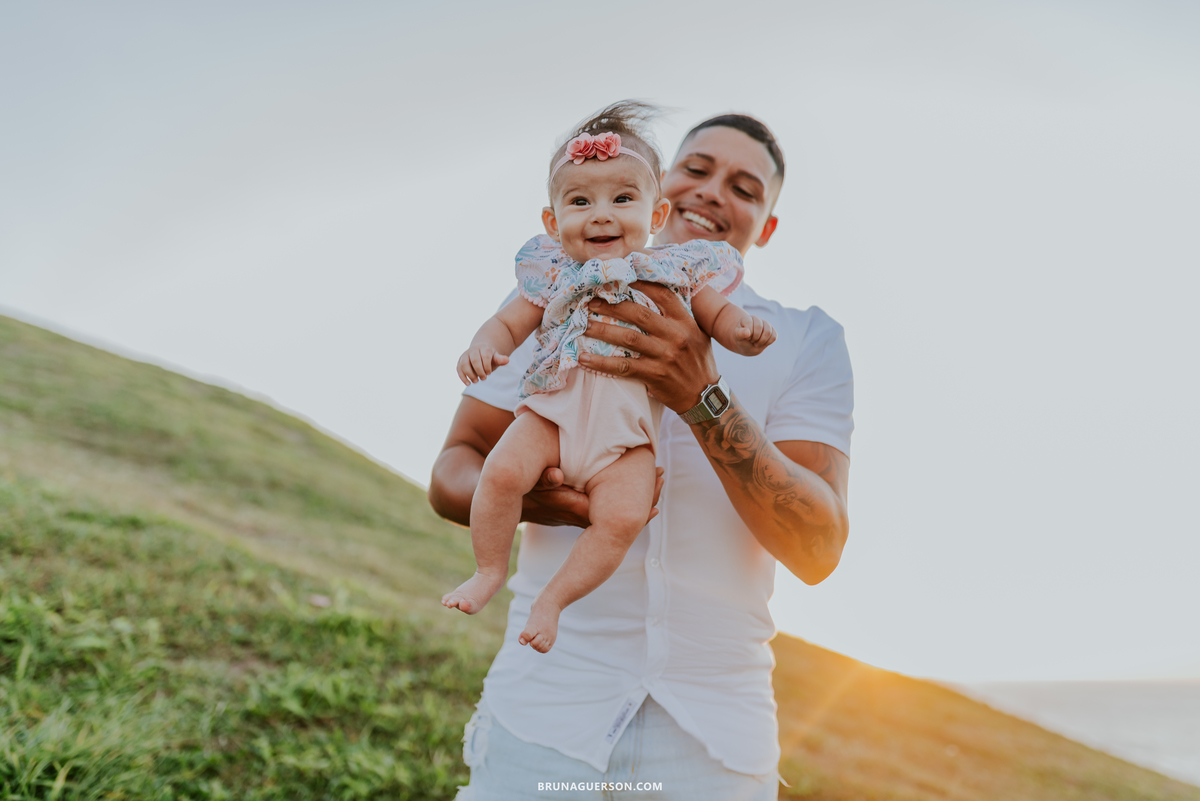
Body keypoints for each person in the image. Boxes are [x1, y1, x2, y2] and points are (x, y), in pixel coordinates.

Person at [429, 111, 854, 801]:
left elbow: (818, 543)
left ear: (766, 226)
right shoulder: (559, 288)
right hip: (545, 709)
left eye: (745, 187)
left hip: (713, 738)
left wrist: (701, 394)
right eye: (698, 168)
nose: (714, 191)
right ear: (662, 186)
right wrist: (537, 496)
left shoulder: (800, 340)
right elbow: (456, 463)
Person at [442, 102, 777, 655]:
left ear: (655, 212)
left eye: (622, 199)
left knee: (621, 518)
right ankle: (487, 569)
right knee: (501, 473)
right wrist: (486, 346)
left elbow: (719, 314)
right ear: (552, 222)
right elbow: (509, 322)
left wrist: (742, 331)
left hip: (626, 443)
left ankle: (553, 600)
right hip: (550, 416)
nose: (601, 214)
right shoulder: (553, 274)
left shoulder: (674, 271)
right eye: (580, 201)